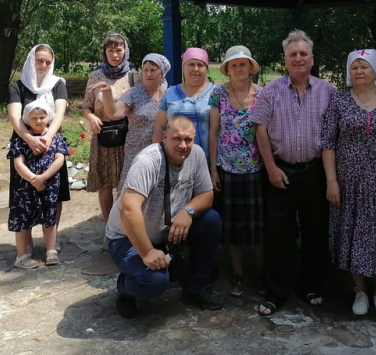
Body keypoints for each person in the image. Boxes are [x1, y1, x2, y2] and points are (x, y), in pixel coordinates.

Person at [320, 49, 376, 320]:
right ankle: (359, 290)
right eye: (355, 67)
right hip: (349, 182)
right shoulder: (338, 100)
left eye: (365, 67)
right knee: (352, 234)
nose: (359, 71)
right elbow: (328, 143)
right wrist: (332, 181)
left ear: (375, 71)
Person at [251, 30, 335, 316]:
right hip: (280, 172)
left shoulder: (328, 91)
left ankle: (312, 285)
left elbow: (333, 136)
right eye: (292, 55)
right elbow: (259, 128)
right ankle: (277, 291)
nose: (298, 58)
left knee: (316, 232)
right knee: (279, 235)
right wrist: (271, 168)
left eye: (303, 54)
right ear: (285, 61)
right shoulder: (271, 91)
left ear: (311, 59)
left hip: (314, 172)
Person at [106, 116, 224, 318]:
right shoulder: (148, 160)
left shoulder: (196, 154)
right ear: (164, 136)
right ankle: (125, 289)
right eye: (177, 139)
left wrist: (188, 211)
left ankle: (196, 287)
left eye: (188, 139)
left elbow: (207, 195)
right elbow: (128, 208)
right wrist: (147, 252)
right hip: (127, 238)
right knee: (155, 283)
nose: (183, 145)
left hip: (165, 232)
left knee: (211, 220)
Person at [208, 45, 265, 297]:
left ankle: (262, 273)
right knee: (232, 227)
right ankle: (238, 274)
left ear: (251, 68)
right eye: (234, 65)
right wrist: (213, 170)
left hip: (257, 169)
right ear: (228, 70)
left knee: (258, 227)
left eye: (243, 64)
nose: (239, 68)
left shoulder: (263, 94)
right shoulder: (218, 94)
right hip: (227, 169)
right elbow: (213, 133)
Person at [7, 44, 70, 255]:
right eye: (39, 60)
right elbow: (15, 117)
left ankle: (51, 239)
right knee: (24, 196)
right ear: (31, 61)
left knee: (54, 194)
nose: (43, 65)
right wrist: (29, 139)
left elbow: (60, 113)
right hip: (24, 147)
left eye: (47, 62)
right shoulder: (17, 86)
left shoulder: (57, 84)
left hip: (51, 145)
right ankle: (26, 244)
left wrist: (47, 137)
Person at [82, 33, 138, 222]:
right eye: (111, 50)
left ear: (126, 51)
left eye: (119, 50)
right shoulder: (96, 76)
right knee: (105, 184)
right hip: (103, 136)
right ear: (104, 52)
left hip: (128, 137)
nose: (115, 55)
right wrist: (91, 118)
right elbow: (86, 106)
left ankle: (127, 223)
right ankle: (109, 227)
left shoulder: (133, 76)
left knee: (129, 182)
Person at [95, 53, 170, 193]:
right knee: (130, 195)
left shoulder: (170, 94)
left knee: (156, 196)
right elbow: (114, 113)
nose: (148, 74)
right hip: (136, 154)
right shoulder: (134, 93)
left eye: (153, 70)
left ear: (162, 73)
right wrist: (107, 93)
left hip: (163, 154)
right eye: (145, 70)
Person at [7, 99, 67, 269]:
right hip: (25, 188)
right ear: (27, 119)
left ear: (48, 118)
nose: (39, 121)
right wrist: (33, 179)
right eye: (34, 118)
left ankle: (50, 250)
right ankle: (22, 256)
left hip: (48, 186)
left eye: (42, 117)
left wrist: (43, 178)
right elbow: (18, 164)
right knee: (23, 220)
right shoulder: (20, 140)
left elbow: (59, 159)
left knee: (50, 218)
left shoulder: (55, 138)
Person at [152, 47, 215, 162]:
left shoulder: (217, 93)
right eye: (191, 64)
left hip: (206, 161)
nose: (195, 69)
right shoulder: (170, 93)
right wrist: (156, 157)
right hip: (173, 161)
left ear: (207, 69)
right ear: (183, 67)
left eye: (200, 65)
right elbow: (160, 126)